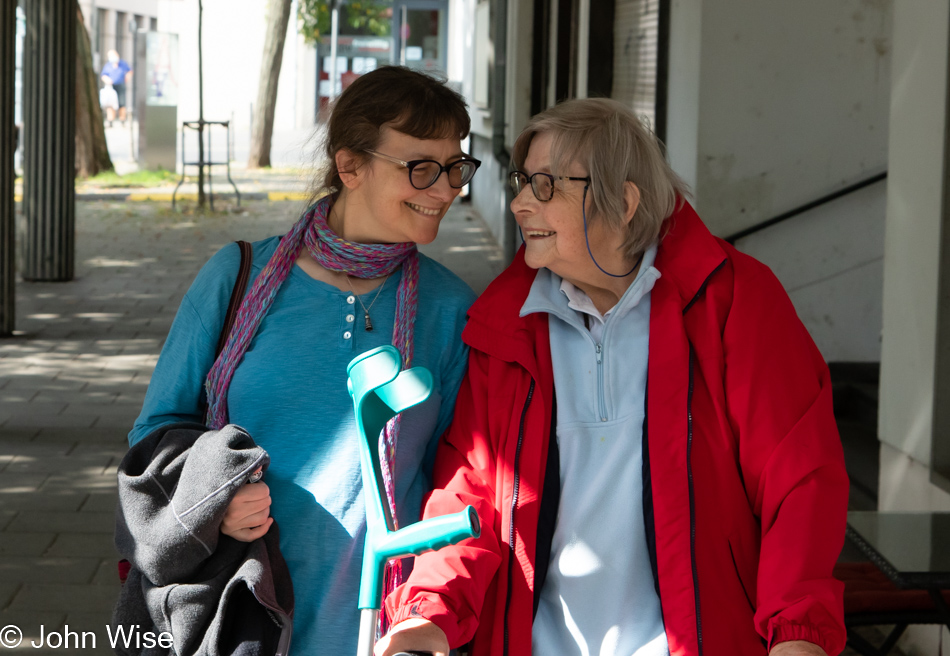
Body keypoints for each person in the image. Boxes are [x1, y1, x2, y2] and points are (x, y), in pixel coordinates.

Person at [376, 98, 849, 656]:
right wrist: (430, 612)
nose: (521, 204)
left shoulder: (732, 302)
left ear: (623, 202)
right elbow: (471, 489)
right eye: (522, 181)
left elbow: (799, 481)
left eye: (547, 186)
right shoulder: (505, 325)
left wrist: (798, 632)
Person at [128, 66, 481, 654]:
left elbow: (461, 479)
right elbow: (154, 431)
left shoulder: (451, 308)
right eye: (421, 167)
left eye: (454, 167)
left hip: (380, 625)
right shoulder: (236, 278)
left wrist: (430, 614)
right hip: (236, 614)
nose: (446, 189)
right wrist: (214, 496)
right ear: (350, 166)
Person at [101, 49, 132, 123]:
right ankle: (111, 120)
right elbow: (103, 75)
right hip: (111, 86)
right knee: (111, 104)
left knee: (122, 102)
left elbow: (130, 71)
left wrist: (127, 77)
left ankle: (122, 120)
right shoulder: (108, 65)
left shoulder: (122, 63)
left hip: (120, 84)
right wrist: (107, 80)